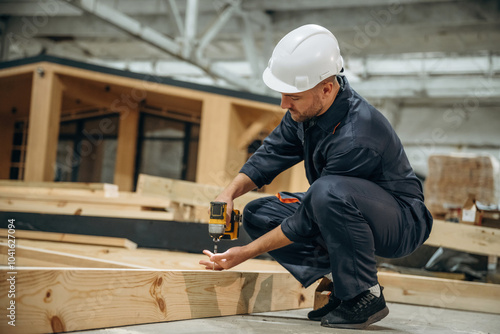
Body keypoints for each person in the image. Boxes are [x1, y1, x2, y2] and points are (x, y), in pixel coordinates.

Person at [199, 24, 433, 330]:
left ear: (326, 88)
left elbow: (308, 218)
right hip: (345, 204)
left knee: (327, 192)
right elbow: (271, 154)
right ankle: (343, 286)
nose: (284, 104)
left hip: (401, 222)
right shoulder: (307, 111)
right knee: (258, 213)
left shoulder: (357, 135)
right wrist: (228, 193)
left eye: (292, 96)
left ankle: (364, 294)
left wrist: (245, 253)